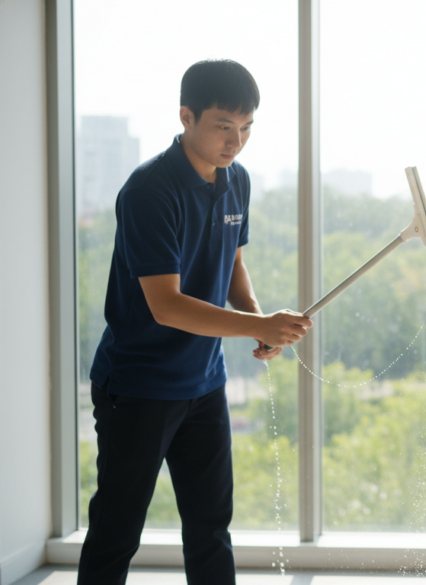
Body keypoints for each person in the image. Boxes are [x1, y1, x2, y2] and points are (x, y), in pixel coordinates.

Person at [78, 59, 312, 584]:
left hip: (204, 385)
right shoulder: (148, 191)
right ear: (187, 116)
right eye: (223, 126)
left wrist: (254, 315)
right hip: (138, 387)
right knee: (118, 529)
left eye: (247, 128)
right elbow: (167, 305)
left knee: (210, 528)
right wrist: (259, 327)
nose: (236, 142)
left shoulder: (237, 180)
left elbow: (230, 259)